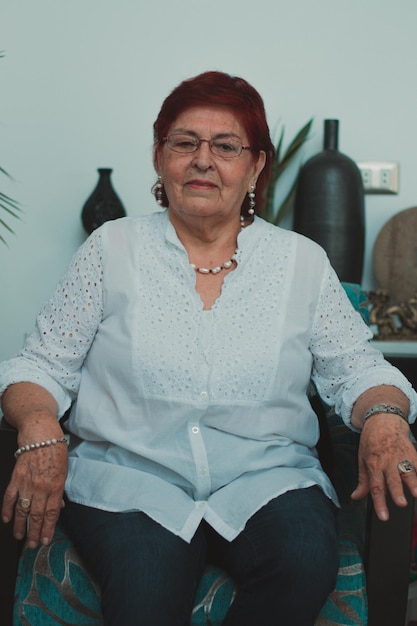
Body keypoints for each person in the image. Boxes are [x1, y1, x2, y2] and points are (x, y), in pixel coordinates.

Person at [1, 70, 417, 626]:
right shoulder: (112, 250)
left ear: (255, 166)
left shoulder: (300, 262)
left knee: (301, 560)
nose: (203, 160)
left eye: (225, 146)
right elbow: (41, 365)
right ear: (159, 157)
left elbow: (356, 369)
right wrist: (35, 424)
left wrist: (386, 417)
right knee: (146, 587)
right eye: (184, 143)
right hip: (132, 479)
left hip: (267, 478)